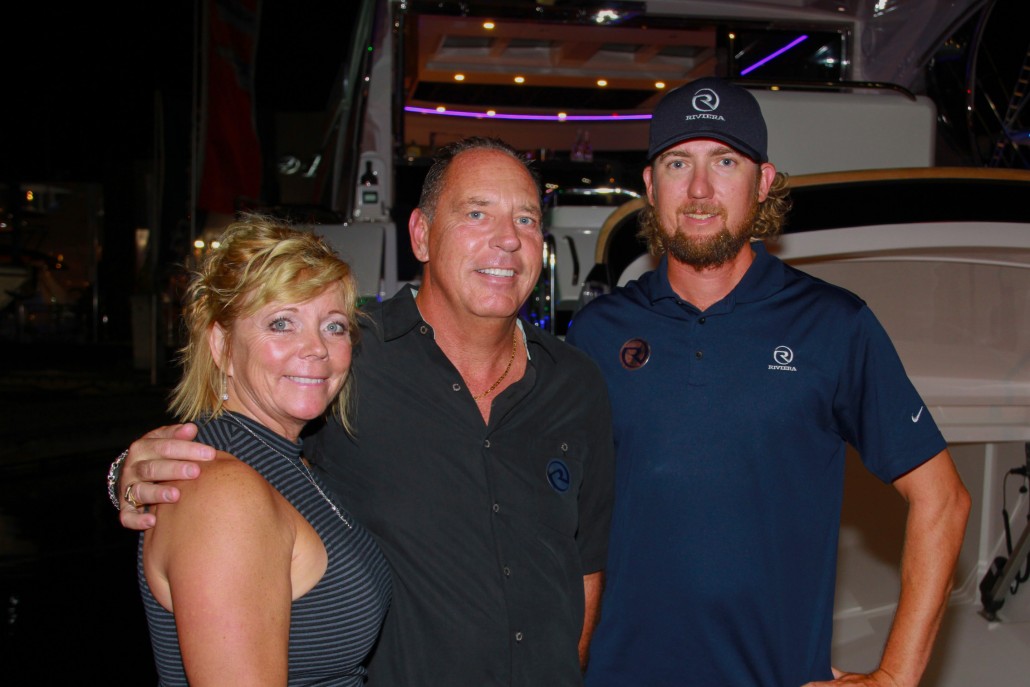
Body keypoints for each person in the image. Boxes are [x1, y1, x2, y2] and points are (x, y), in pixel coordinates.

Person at [110, 137, 616, 686]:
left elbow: (584, 562)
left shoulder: (576, 381)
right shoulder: (352, 364)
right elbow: (226, 468)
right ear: (421, 235)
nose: (506, 240)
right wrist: (129, 475)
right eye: (476, 213)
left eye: (525, 219)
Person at [564, 76, 972, 687]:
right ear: (650, 186)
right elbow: (568, 532)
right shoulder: (597, 332)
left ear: (764, 181)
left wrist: (896, 676)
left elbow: (943, 500)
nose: (700, 190)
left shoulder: (834, 325)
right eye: (679, 162)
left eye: (724, 161)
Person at [130, 215, 392, 685]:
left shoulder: (289, 457)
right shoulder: (224, 493)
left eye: (333, 326)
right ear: (222, 345)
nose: (315, 348)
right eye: (282, 323)